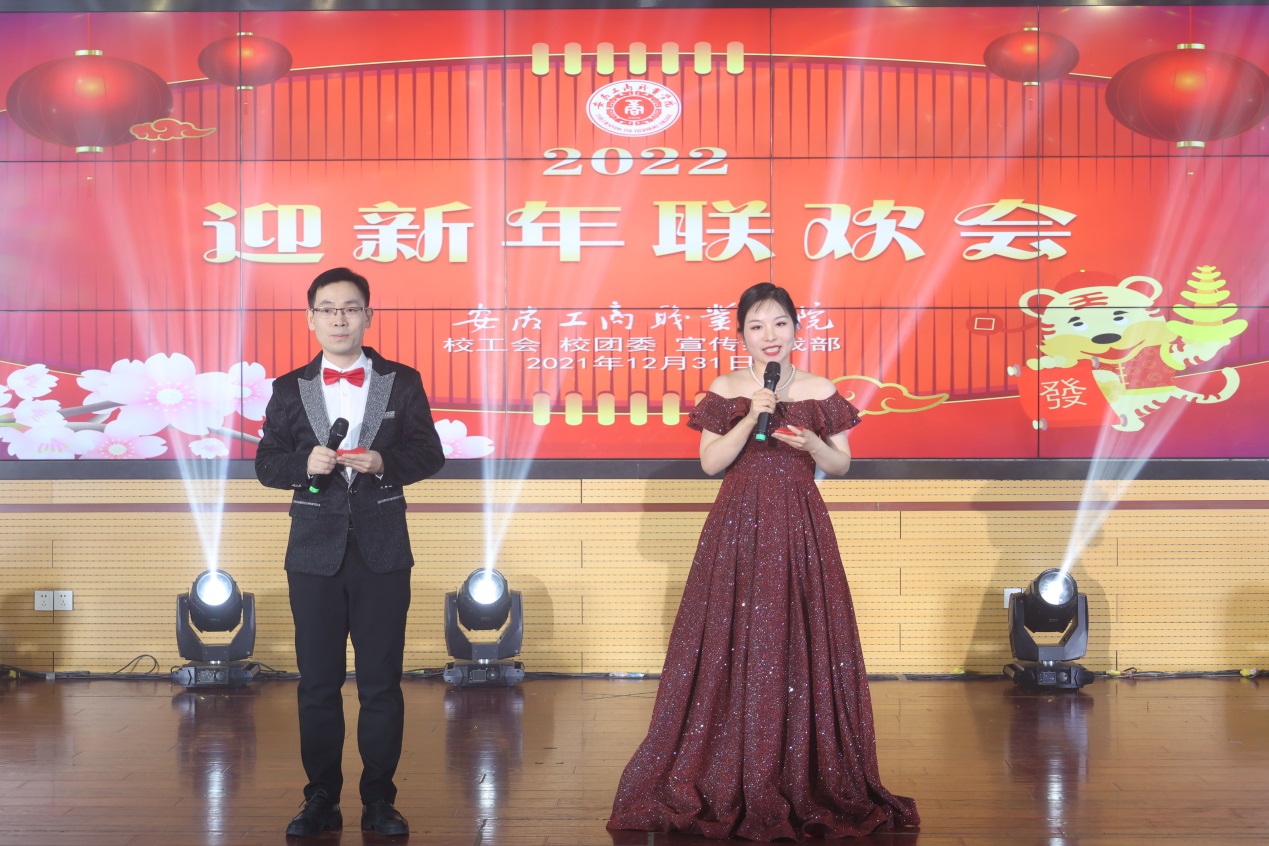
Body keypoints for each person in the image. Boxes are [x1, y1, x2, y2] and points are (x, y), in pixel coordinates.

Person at [608, 282, 919, 840]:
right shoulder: (726, 389)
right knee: (730, 640)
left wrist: (814, 448)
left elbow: (842, 465)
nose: (769, 335)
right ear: (740, 334)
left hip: (800, 524)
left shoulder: (821, 389)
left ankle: (801, 768)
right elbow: (710, 463)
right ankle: (725, 766)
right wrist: (748, 416)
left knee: (801, 638)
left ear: (797, 329)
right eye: (756, 326)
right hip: (737, 527)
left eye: (779, 324)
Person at [255, 267, 445, 838]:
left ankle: (380, 800)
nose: (339, 318)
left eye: (350, 307)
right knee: (317, 683)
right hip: (313, 553)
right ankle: (320, 798)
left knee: (381, 683)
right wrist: (303, 465)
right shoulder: (288, 388)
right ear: (311, 318)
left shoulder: (402, 381)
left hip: (383, 550)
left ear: (368, 315)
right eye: (328, 308)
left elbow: (429, 453)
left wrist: (384, 463)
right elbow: (266, 464)